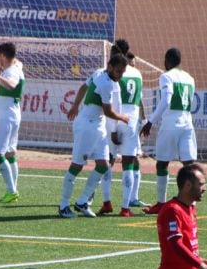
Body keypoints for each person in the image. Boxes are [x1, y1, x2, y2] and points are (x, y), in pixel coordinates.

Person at [59, 53, 130, 218]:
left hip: (98, 126)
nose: (120, 75)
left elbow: (84, 87)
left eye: (122, 72)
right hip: (87, 126)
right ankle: (63, 205)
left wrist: (76, 105)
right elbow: (108, 111)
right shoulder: (106, 84)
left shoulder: (99, 72)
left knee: (104, 165)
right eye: (119, 71)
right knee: (77, 165)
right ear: (110, 67)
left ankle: (83, 201)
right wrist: (123, 117)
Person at [140, 48, 197, 215]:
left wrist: (150, 121)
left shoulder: (166, 76)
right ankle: (191, 205)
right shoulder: (190, 78)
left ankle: (161, 203)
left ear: (167, 60)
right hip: (187, 124)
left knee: (162, 163)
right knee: (189, 165)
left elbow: (167, 99)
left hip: (171, 124)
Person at [0, 43, 25, 203]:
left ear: (3, 55)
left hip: (6, 117)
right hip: (11, 114)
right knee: (9, 154)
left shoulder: (12, 71)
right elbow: (17, 62)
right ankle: (13, 191)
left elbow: (11, 85)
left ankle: (11, 191)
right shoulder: (15, 66)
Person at [114, 50, 150, 216]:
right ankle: (125, 207)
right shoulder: (137, 75)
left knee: (106, 160)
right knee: (128, 161)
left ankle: (104, 201)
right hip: (131, 122)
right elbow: (138, 100)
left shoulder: (114, 72)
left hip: (116, 119)